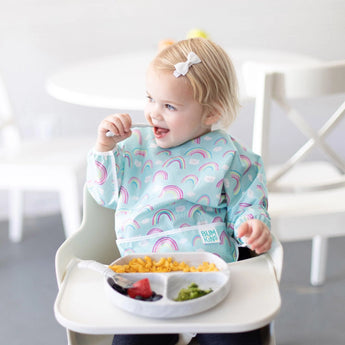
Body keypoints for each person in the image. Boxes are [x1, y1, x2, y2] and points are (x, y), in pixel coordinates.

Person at [87, 38, 272, 345]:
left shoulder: (227, 154)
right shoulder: (132, 148)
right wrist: (105, 149)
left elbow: (247, 198)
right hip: (144, 275)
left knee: (240, 338)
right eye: (150, 99)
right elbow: (103, 196)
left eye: (169, 106)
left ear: (210, 114)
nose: (153, 114)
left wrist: (252, 224)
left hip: (213, 274)